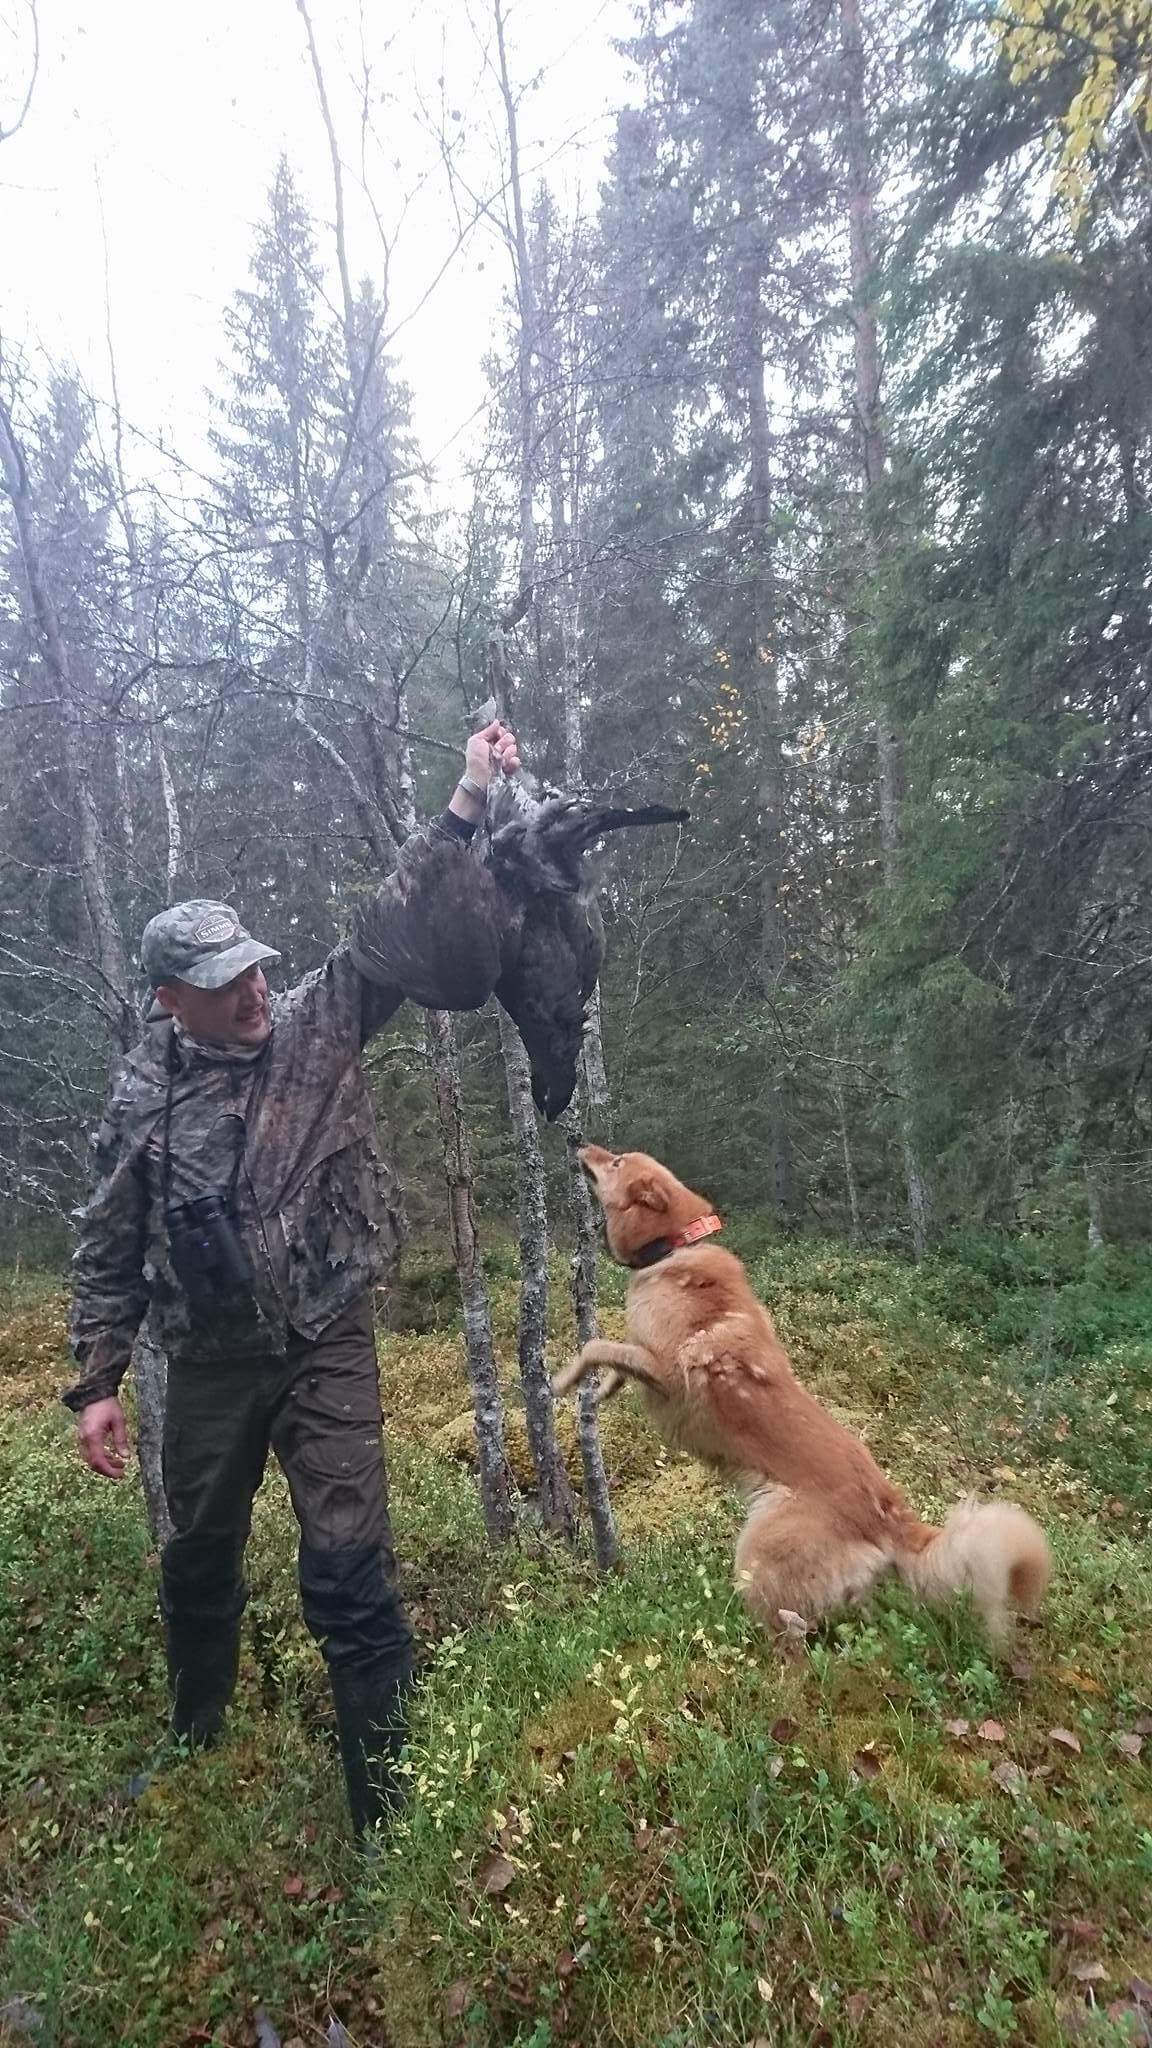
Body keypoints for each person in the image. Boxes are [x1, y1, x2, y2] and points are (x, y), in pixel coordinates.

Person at [63, 723, 521, 1841]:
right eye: (226, 982)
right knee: (198, 1558)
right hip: (208, 1362)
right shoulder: (140, 1101)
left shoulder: (314, 1027)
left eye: (257, 964)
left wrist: (466, 796)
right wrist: (99, 1377)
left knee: (349, 1569)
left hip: (325, 1340)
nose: (256, 988)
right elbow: (106, 1242)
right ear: (173, 997)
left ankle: (388, 1814)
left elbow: (387, 932)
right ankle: (196, 1734)